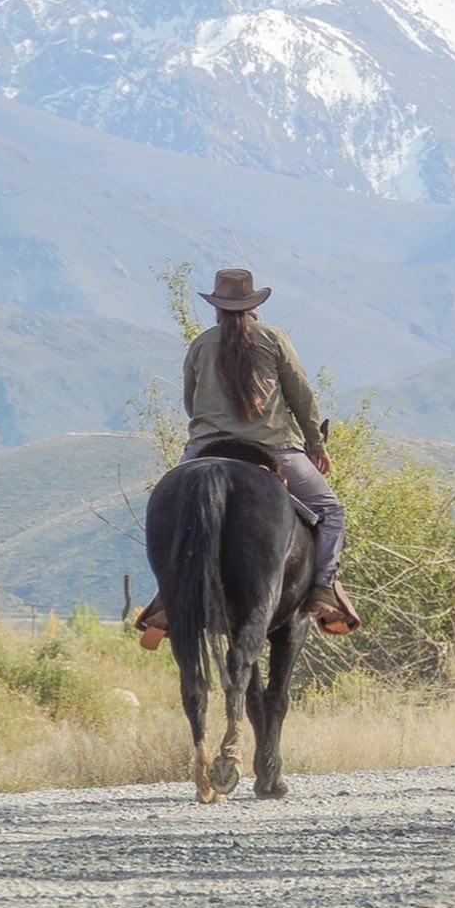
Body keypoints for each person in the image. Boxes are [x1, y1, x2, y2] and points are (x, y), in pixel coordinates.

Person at [138, 268, 354, 640]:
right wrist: (316, 447)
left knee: (176, 514)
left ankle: (167, 598)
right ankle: (322, 590)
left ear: (217, 309)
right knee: (332, 511)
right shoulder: (274, 339)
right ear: (253, 306)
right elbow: (302, 397)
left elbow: (191, 403)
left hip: (205, 450)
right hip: (275, 449)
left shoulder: (201, 344)